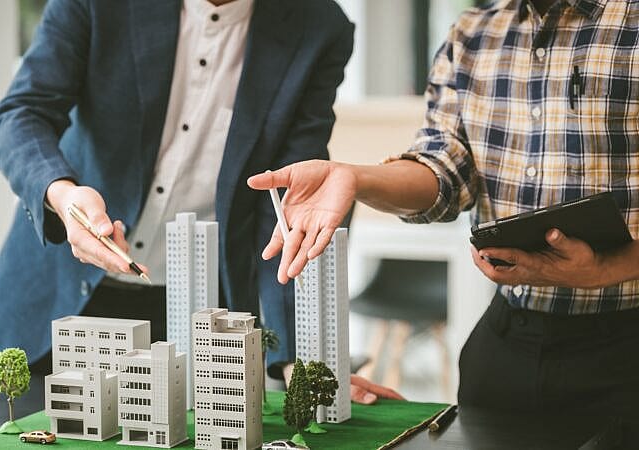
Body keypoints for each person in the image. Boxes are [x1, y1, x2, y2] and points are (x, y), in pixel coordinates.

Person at [0, 0, 396, 403]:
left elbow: (286, 204)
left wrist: (299, 362)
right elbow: (22, 114)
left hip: (203, 318)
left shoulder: (319, 26)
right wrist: (62, 196)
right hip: (61, 301)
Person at [249, 0, 639, 415]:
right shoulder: (473, 31)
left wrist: (609, 268)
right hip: (510, 339)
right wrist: (355, 177)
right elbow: (444, 169)